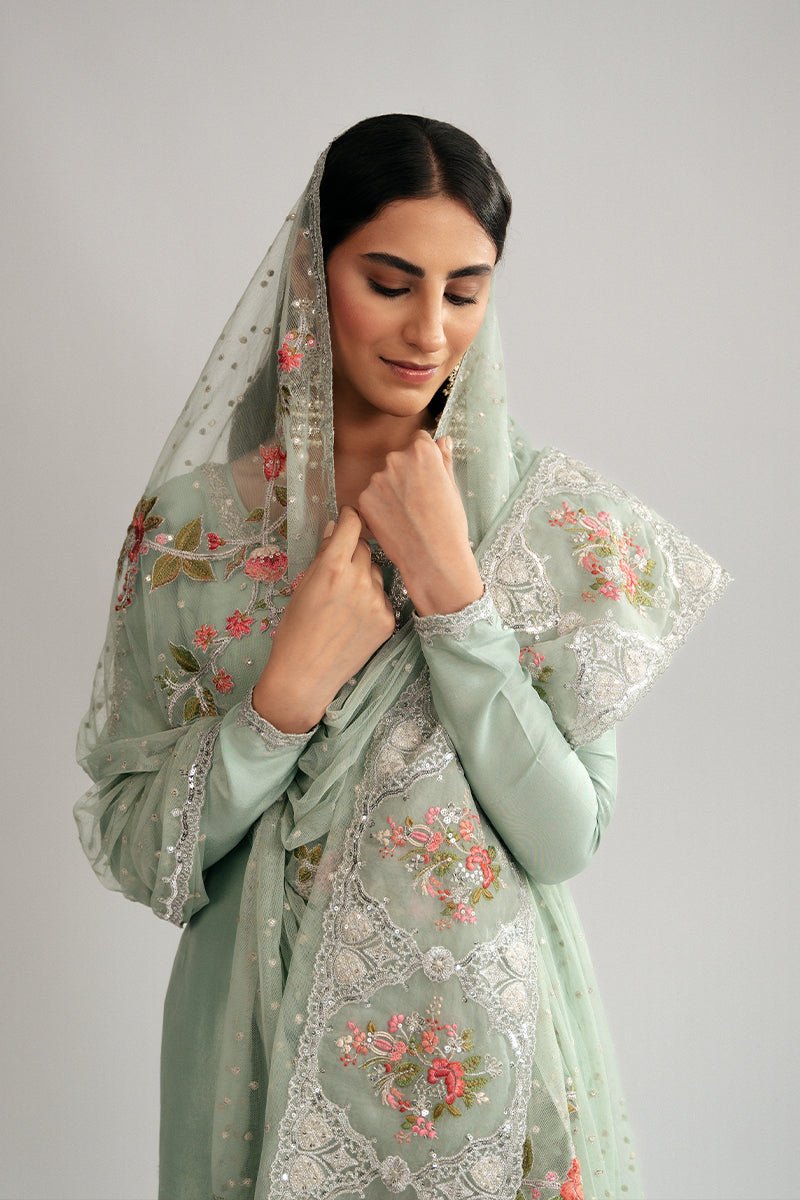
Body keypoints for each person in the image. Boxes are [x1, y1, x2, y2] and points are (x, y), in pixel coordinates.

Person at [74, 115, 731, 1200]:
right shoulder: (194, 537)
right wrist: (281, 701)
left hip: (499, 1068)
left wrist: (456, 603)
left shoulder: (555, 531)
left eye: (465, 293)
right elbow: (145, 853)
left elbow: (563, 838)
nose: (429, 330)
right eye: (389, 283)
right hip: (254, 1056)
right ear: (309, 273)